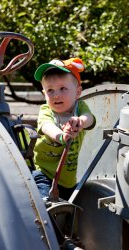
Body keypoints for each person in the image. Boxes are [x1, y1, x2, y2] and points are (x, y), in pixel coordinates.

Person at [32, 58, 96, 201]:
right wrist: (61, 135)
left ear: (78, 92)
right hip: (45, 174)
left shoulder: (80, 108)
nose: (56, 95)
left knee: (69, 212)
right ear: (44, 95)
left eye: (63, 88)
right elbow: (46, 126)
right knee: (46, 206)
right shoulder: (46, 110)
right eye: (50, 90)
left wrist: (81, 121)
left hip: (68, 179)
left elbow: (90, 118)